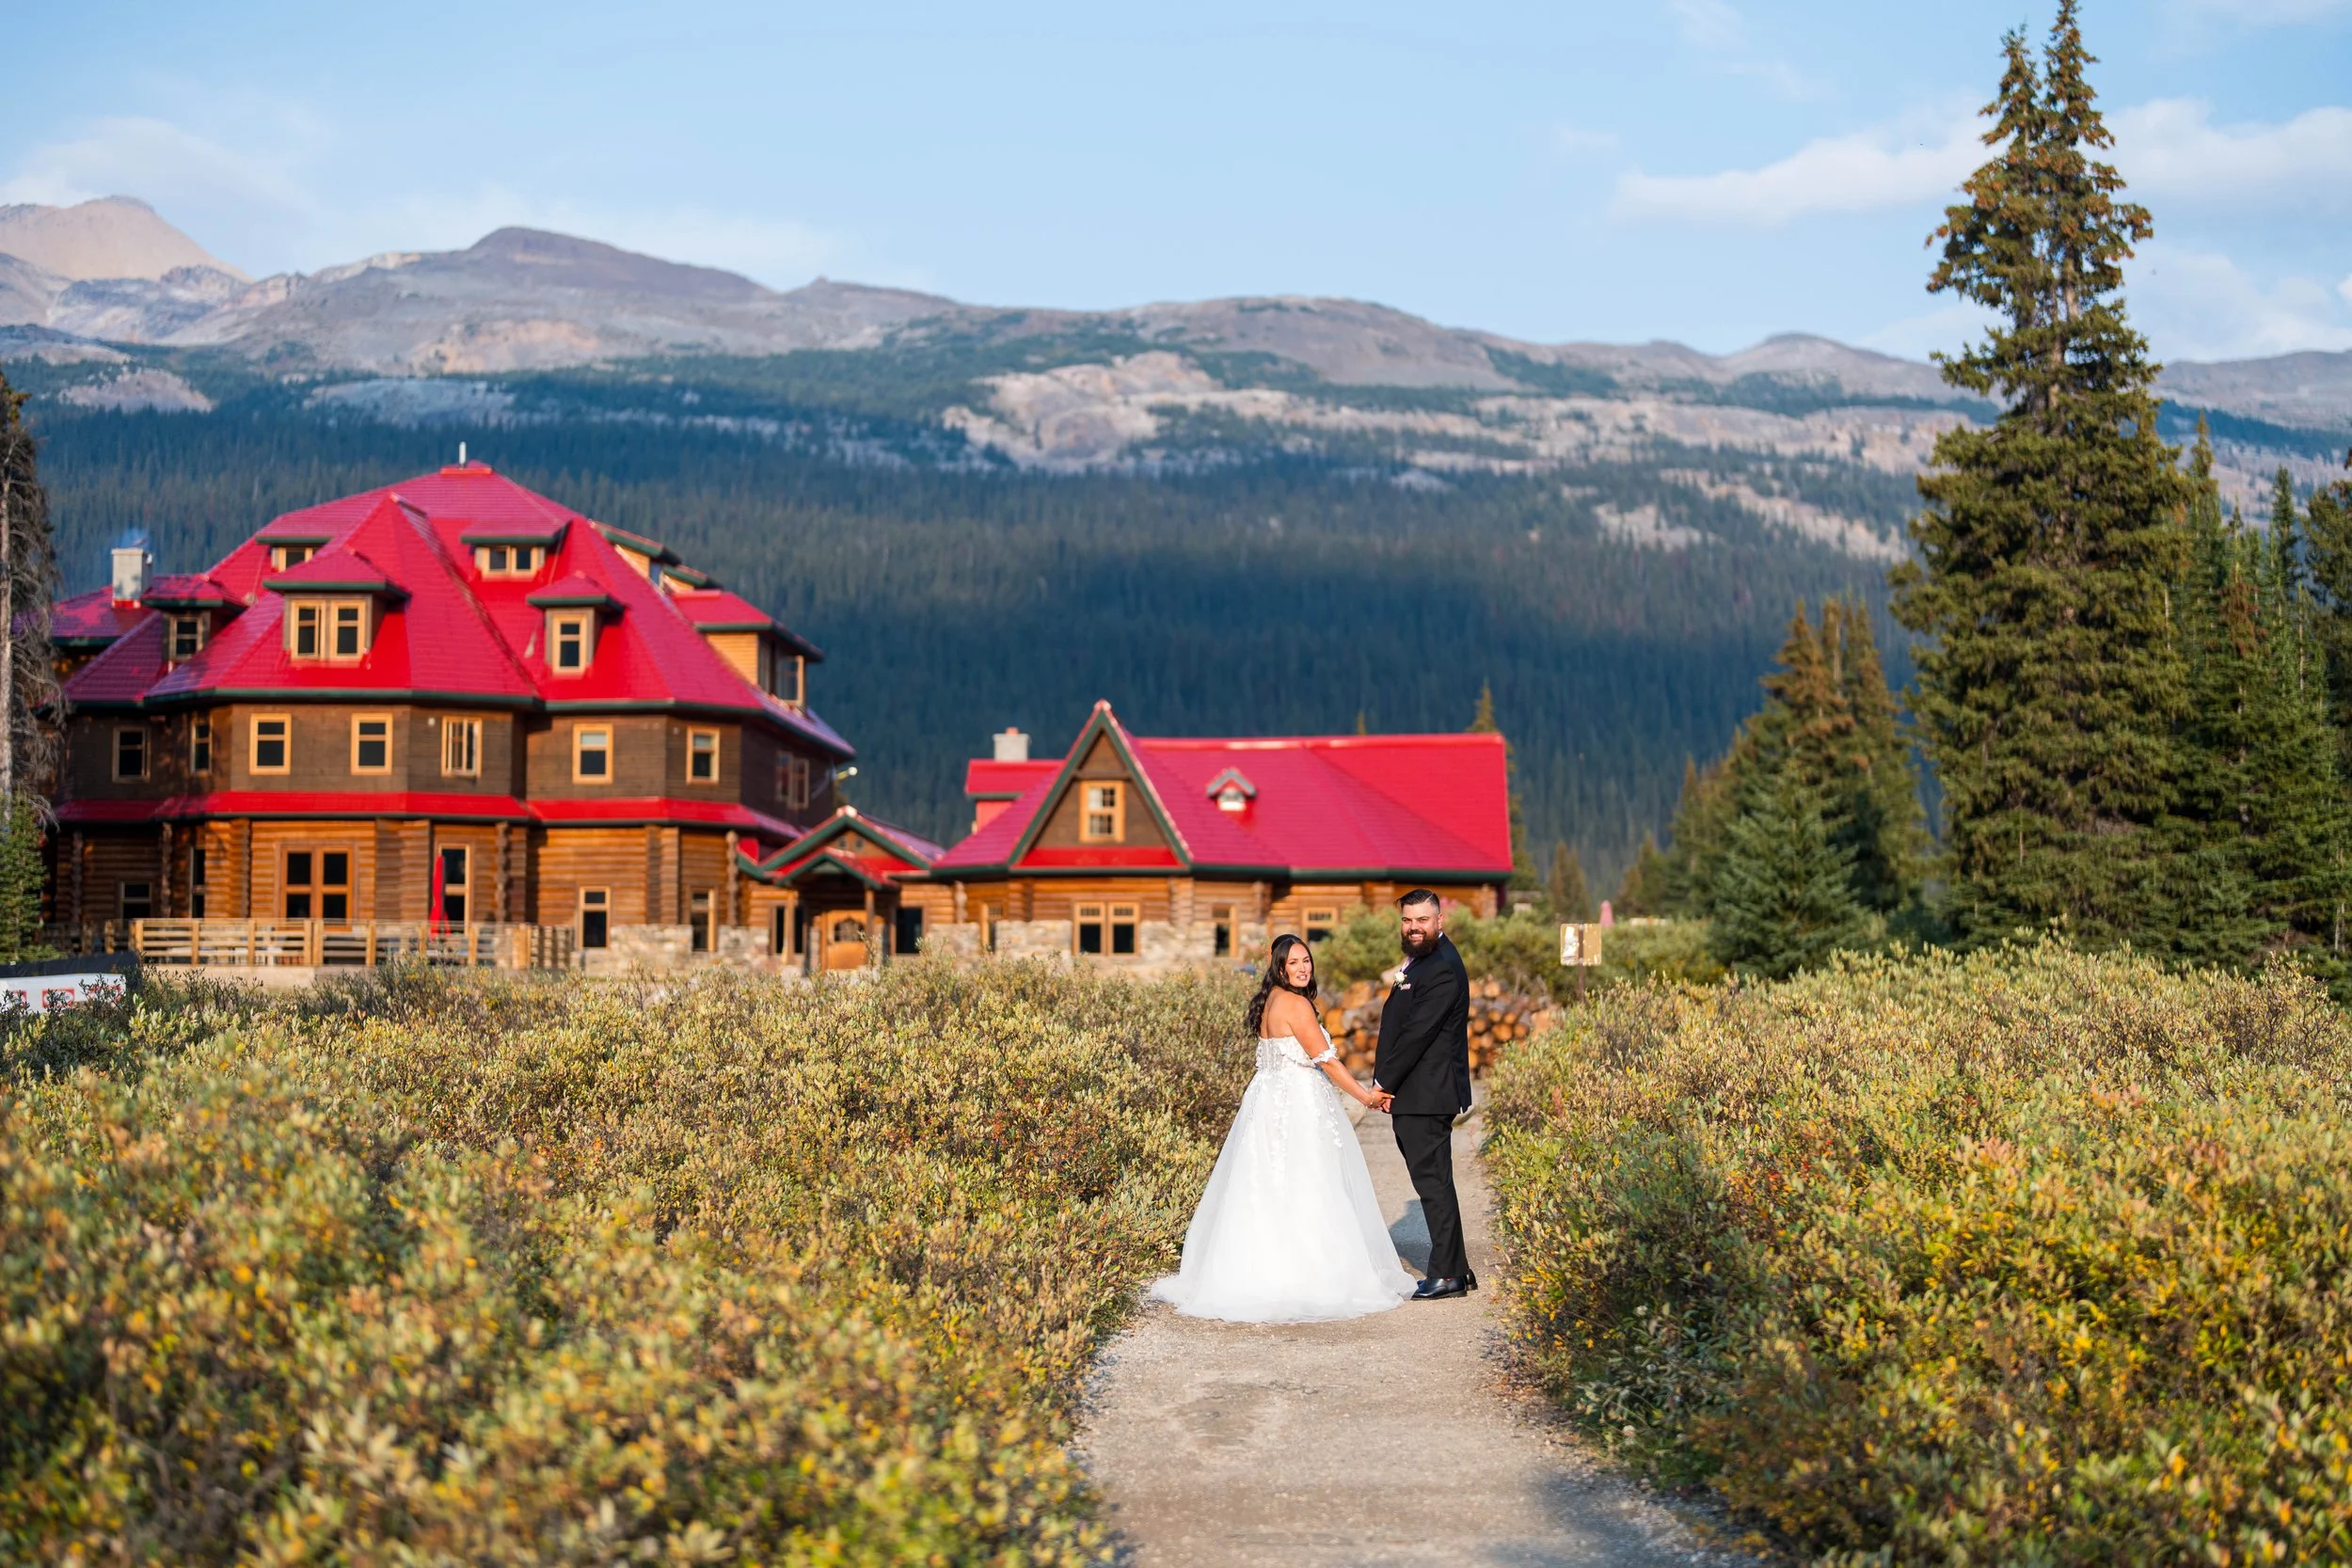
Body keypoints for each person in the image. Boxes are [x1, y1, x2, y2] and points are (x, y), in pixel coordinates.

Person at [1151, 933, 1418, 1323]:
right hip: (1298, 1103)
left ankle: (1254, 1270)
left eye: (1306, 960)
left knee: (1267, 1183)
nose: (1302, 967)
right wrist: (1365, 1096)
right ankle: (1309, 1273)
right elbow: (1325, 1060)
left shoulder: (1269, 1002)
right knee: (1310, 1180)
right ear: (1279, 966)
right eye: (1293, 962)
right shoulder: (1296, 1004)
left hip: (1265, 1102)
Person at [1371, 888, 1476, 1300]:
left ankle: (1447, 1274)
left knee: (1432, 1185)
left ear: (1440, 921)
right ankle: (1458, 1267)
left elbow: (1418, 1035)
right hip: (1420, 1093)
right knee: (1437, 1182)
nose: (1414, 928)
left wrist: (1383, 1085)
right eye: (1407, 921)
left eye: (1422, 920)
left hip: (1426, 1094)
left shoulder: (1443, 969)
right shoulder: (1426, 960)